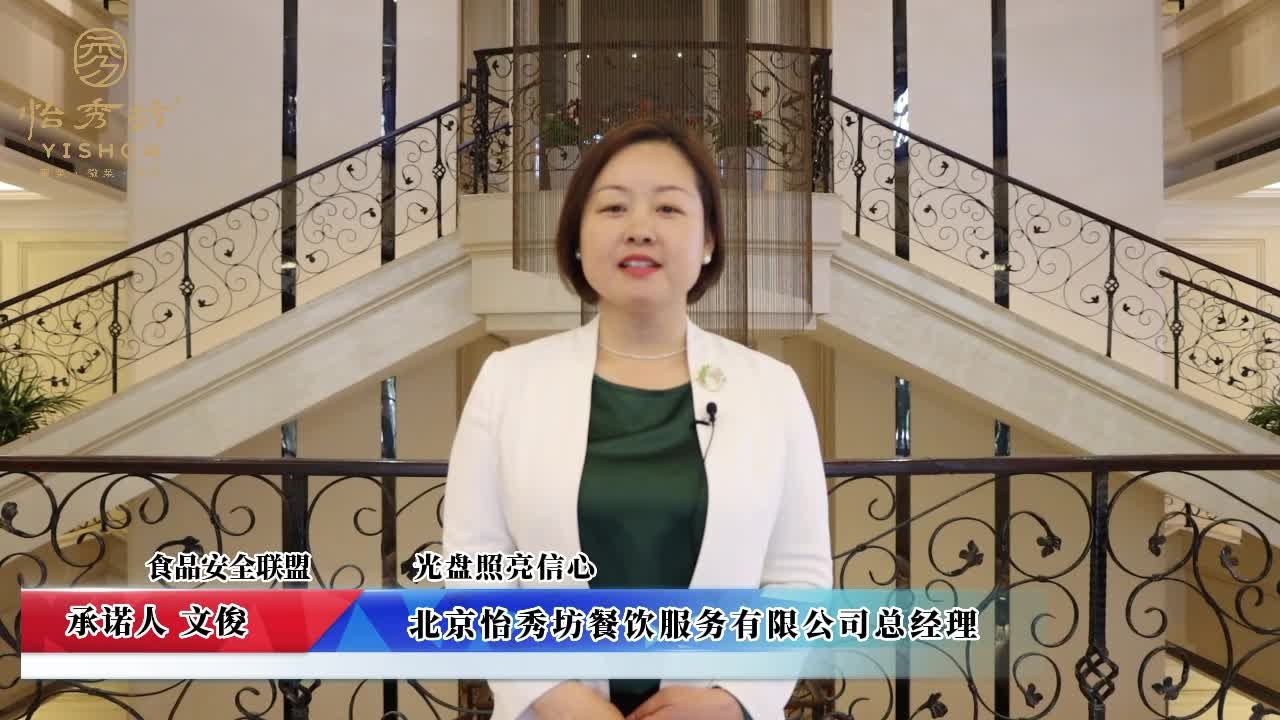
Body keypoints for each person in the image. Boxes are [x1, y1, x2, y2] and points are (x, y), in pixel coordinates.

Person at [441, 116, 832, 720]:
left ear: (708, 240)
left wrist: (733, 699)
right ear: (577, 237)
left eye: (669, 209)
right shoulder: (508, 381)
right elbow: (473, 571)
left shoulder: (772, 389)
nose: (640, 229)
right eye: (613, 208)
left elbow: (799, 580)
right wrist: (557, 697)